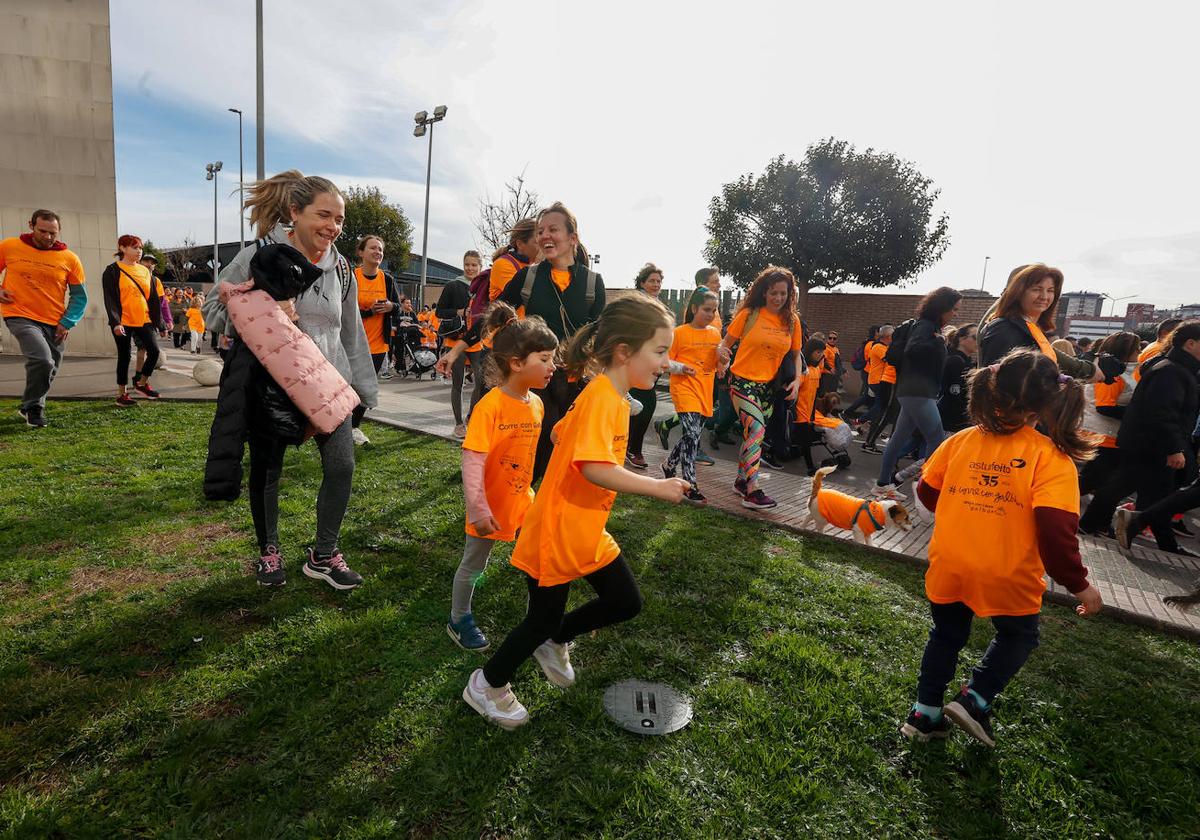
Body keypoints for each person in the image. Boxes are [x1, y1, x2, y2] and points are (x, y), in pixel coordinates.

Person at [462, 294, 689, 729]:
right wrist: (656, 487)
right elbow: (594, 466)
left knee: (625, 601)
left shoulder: (611, 396)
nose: (665, 362)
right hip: (558, 529)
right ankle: (487, 685)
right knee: (540, 618)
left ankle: (558, 638)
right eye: (660, 351)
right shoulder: (604, 397)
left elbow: (565, 434)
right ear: (624, 351)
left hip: (585, 527)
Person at [902, 349, 1103, 746]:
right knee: (1019, 636)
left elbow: (927, 493)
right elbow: (1055, 532)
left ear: (990, 389)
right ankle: (975, 699)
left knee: (945, 636)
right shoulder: (1052, 458)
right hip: (1007, 572)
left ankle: (924, 715)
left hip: (950, 562)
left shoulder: (958, 441)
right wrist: (1080, 585)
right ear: (1046, 403)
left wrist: (967, 510)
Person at [202, 169, 378, 589]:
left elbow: (350, 335)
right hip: (272, 387)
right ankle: (269, 552)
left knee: (342, 467)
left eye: (339, 219)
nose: (333, 227)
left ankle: (323, 554)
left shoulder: (342, 272)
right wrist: (264, 309)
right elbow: (213, 309)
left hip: (327, 386)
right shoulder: (258, 255)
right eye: (324, 215)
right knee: (268, 471)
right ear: (294, 212)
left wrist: (364, 393)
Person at [437, 202, 606, 481]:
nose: (544, 236)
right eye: (540, 231)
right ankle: (512, 510)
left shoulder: (592, 283)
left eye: (553, 229)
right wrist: (456, 350)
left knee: (568, 457)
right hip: (535, 380)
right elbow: (493, 315)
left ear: (572, 238)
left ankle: (545, 515)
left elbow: (601, 336)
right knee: (534, 453)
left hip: (575, 383)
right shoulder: (528, 277)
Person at [448, 304, 559, 651]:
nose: (553, 366)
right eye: (545, 358)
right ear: (516, 363)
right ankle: (458, 618)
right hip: (489, 506)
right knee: (474, 566)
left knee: (540, 557)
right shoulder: (490, 406)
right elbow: (472, 460)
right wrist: (478, 508)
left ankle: (540, 620)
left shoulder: (537, 404)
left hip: (521, 500)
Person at [1078, 321, 1200, 555]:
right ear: (1190, 343)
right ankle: (1102, 523)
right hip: (1148, 443)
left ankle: (1138, 529)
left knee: (1149, 492)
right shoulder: (1170, 371)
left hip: (1147, 442)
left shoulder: (1172, 368)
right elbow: (1162, 413)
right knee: (1118, 485)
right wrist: (1174, 448)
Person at [716, 265, 804, 510]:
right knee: (755, 430)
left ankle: (741, 481)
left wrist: (798, 380)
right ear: (764, 292)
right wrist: (721, 356)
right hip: (742, 380)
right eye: (773, 292)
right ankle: (752, 490)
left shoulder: (792, 321)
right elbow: (726, 343)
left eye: (783, 294)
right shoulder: (749, 314)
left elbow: (796, 355)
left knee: (753, 435)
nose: (778, 298)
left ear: (790, 295)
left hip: (769, 388)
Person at [871, 288, 963, 501]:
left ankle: (883, 485)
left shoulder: (926, 326)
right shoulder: (926, 326)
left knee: (898, 439)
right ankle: (924, 489)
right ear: (943, 307)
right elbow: (914, 349)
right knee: (937, 440)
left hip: (914, 391)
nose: (955, 314)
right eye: (954, 309)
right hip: (918, 391)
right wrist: (939, 342)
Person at [0, 209, 88, 428]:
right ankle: (35, 408)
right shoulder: (9, 246)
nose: (48, 237)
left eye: (53, 233)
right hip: (19, 315)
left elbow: (79, 297)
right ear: (31, 225)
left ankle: (28, 405)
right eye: (43, 231)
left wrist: (67, 322)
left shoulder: (70, 258)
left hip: (56, 321)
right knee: (42, 360)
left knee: (51, 369)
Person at [978, 264, 1104, 382]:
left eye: (1050, 290)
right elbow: (997, 384)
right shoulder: (1005, 328)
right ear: (1018, 292)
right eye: (1036, 289)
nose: (1044, 296)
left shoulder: (1028, 328)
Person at [662, 290, 727, 502]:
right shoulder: (679, 333)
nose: (710, 314)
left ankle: (669, 464)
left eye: (713, 310)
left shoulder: (715, 334)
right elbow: (665, 362)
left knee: (692, 436)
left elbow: (716, 363)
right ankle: (690, 485)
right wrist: (682, 368)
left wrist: (723, 363)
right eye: (706, 309)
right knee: (692, 434)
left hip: (705, 390)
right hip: (684, 389)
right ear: (694, 309)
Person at [102, 235, 165, 406]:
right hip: (122, 321)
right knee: (124, 356)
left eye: (140, 248)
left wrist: (160, 323)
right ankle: (121, 395)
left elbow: (152, 299)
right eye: (135, 247)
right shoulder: (112, 270)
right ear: (122, 248)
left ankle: (141, 383)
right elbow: (110, 299)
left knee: (154, 351)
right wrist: (116, 323)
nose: (139, 251)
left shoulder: (145, 271)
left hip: (144, 319)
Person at [1077, 331, 1140, 502]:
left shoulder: (1119, 370)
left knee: (1094, 479)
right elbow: (1104, 406)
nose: (1139, 353)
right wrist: (1137, 414)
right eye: (1137, 349)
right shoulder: (1111, 371)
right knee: (1091, 479)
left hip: (1108, 432)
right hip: (1102, 434)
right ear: (1127, 351)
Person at [350, 234, 398, 445]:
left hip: (378, 345)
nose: (377, 252)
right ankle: (339, 426)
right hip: (353, 344)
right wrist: (370, 312)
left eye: (380, 249)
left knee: (366, 389)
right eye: (373, 248)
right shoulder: (352, 276)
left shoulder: (387, 279)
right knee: (348, 388)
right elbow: (343, 312)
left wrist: (391, 307)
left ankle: (354, 427)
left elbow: (398, 307)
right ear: (361, 252)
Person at [626, 263, 666, 470]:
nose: (656, 284)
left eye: (659, 281)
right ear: (642, 282)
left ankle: (633, 448)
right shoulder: (635, 303)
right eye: (652, 280)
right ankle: (630, 448)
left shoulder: (662, 307)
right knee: (631, 406)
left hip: (653, 363)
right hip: (634, 361)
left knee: (646, 405)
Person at [435, 252, 479, 438]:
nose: (470, 268)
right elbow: (439, 312)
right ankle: (459, 424)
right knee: (458, 383)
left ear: (480, 266)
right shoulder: (453, 285)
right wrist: (459, 312)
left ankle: (471, 417)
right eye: (467, 264)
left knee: (482, 381)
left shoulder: (484, 286)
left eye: (474, 265)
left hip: (478, 341)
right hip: (456, 340)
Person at [791, 337, 828, 476]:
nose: (820, 355)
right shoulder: (803, 369)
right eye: (818, 352)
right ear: (810, 351)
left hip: (808, 413)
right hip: (799, 411)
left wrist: (812, 414)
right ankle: (810, 467)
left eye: (821, 352)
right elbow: (795, 390)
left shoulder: (816, 369)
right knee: (805, 441)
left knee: (801, 440)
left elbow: (814, 395)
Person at [859, 325, 897, 452]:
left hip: (879, 381)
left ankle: (866, 427)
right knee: (882, 410)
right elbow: (891, 359)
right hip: (878, 381)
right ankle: (862, 422)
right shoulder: (879, 347)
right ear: (888, 337)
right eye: (893, 335)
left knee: (880, 409)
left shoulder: (883, 347)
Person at [937, 323, 978, 433]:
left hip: (955, 420)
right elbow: (954, 394)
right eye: (975, 337)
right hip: (950, 421)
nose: (978, 342)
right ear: (962, 339)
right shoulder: (956, 361)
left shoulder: (966, 362)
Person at [843, 325, 880, 421]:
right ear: (875, 332)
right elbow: (871, 359)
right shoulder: (872, 344)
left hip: (868, 372)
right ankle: (848, 412)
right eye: (878, 331)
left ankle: (867, 417)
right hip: (869, 373)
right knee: (867, 396)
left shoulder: (869, 343)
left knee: (868, 396)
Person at [1133, 317, 1183, 382]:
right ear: (1164, 333)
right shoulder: (1158, 351)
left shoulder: (1155, 346)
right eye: (1178, 333)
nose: (1184, 336)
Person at [818, 330, 844, 395]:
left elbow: (838, 362)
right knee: (825, 394)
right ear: (827, 339)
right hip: (827, 374)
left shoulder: (836, 349)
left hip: (834, 375)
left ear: (836, 340)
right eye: (830, 338)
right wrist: (830, 369)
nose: (832, 340)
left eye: (834, 338)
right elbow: (823, 360)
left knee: (832, 394)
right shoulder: (826, 348)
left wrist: (843, 370)